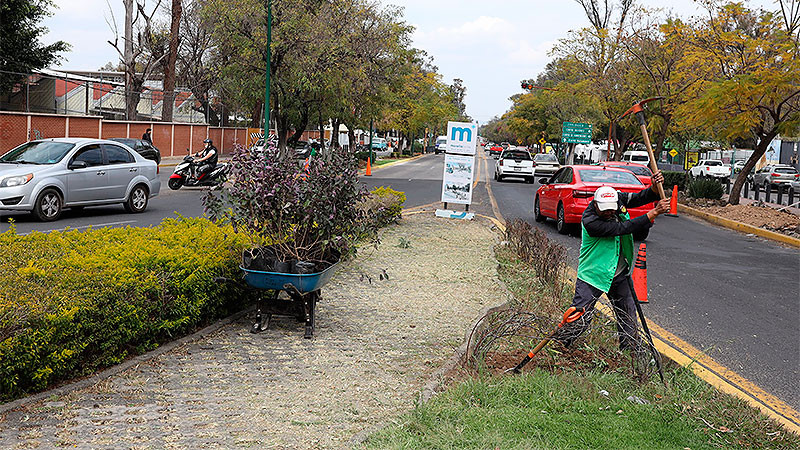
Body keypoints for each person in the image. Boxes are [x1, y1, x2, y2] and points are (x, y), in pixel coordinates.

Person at [556, 171, 670, 351]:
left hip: (619, 274)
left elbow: (641, 197)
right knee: (580, 316)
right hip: (594, 275)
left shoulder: (617, 200)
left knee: (628, 316)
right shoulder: (590, 221)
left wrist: (655, 187)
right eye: (605, 209)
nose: (610, 212)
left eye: (612, 208)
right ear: (595, 204)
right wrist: (654, 212)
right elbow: (624, 227)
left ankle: (630, 353)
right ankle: (561, 345)